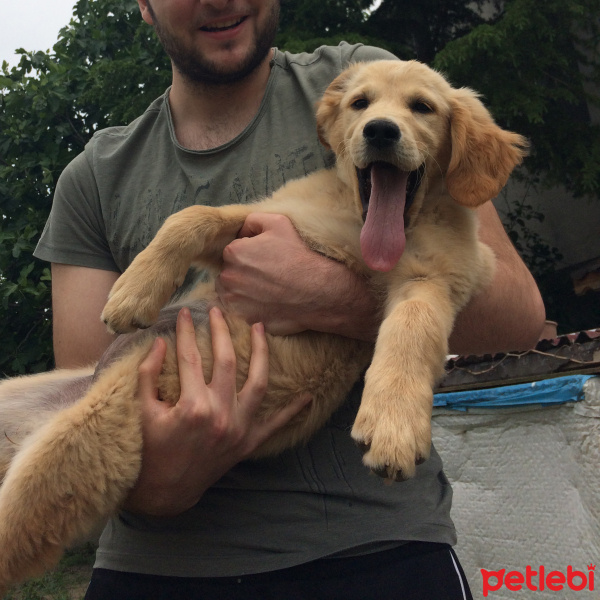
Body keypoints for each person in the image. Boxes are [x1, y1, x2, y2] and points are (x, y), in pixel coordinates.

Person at [33, 1, 546, 598]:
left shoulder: (369, 76)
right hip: (155, 566)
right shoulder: (93, 175)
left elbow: (518, 321)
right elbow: (81, 388)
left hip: (374, 553)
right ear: (143, 6)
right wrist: (157, 485)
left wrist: (325, 295)